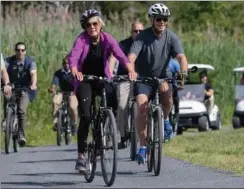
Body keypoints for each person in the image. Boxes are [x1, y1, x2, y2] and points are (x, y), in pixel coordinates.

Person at [67, 9, 137, 172]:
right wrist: (74, 69)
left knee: (111, 99)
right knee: (86, 115)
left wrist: (130, 70)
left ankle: (104, 129)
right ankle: (81, 156)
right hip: (84, 79)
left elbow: (121, 56)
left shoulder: (107, 39)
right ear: (85, 27)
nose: (92, 27)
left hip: (102, 78)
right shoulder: (81, 39)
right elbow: (74, 57)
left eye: (95, 23)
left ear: (100, 24)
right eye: (88, 25)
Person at [127, 3, 188, 164]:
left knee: (168, 98)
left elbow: (181, 57)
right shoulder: (142, 37)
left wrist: (183, 74)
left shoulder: (172, 37)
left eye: (165, 19)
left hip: (163, 77)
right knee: (142, 107)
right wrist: (131, 71)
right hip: (144, 78)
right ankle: (142, 146)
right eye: (159, 19)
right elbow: (131, 57)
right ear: (152, 19)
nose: (162, 22)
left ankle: (166, 119)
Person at [109, 20, 144, 149]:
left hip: (142, 79)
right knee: (122, 105)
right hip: (125, 78)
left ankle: (151, 132)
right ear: (131, 32)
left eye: (141, 31)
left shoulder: (147, 43)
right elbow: (113, 57)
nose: (138, 33)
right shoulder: (123, 44)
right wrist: (110, 74)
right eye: (136, 31)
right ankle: (123, 136)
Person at [3, 42, 38, 146]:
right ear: (15, 51)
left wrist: (33, 84)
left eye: (22, 50)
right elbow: (2, 71)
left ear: (25, 51)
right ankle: (6, 118)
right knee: (6, 96)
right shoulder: (9, 61)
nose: (20, 52)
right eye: (18, 50)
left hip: (25, 89)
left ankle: (21, 135)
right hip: (11, 87)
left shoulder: (30, 62)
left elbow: (33, 73)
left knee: (21, 110)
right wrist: (5, 84)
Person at [49, 56, 78, 136]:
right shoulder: (59, 73)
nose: (67, 65)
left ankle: (74, 124)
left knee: (72, 107)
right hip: (62, 91)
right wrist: (52, 89)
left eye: (68, 63)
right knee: (55, 101)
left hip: (72, 92)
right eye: (65, 63)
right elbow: (54, 83)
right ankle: (55, 123)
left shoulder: (75, 72)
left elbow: (79, 83)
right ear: (63, 64)